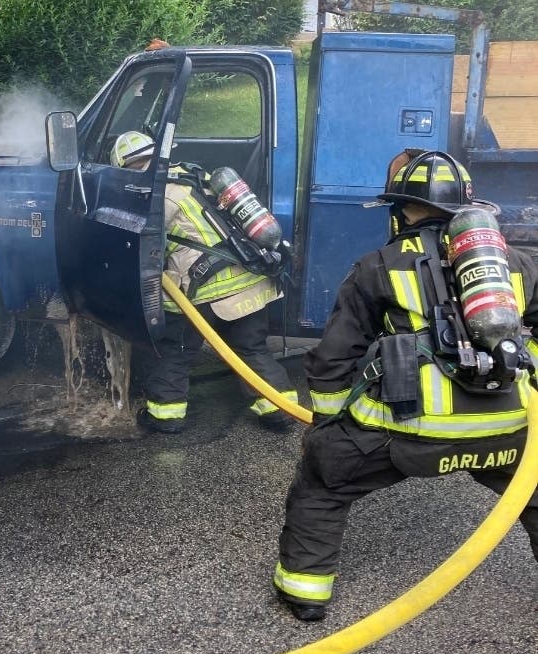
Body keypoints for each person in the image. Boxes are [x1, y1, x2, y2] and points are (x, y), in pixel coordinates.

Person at [272, 149, 538, 622]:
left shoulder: (377, 266)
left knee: (323, 481)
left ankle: (305, 593)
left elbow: (334, 358)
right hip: (509, 432)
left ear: (401, 211)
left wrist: (324, 427)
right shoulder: (514, 262)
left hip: (407, 435)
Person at [109, 131, 298, 435]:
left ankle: (165, 415)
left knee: (176, 350)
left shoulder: (158, 196)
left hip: (206, 291)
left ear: (127, 167)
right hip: (249, 280)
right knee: (251, 349)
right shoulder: (196, 176)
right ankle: (279, 408)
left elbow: (145, 249)